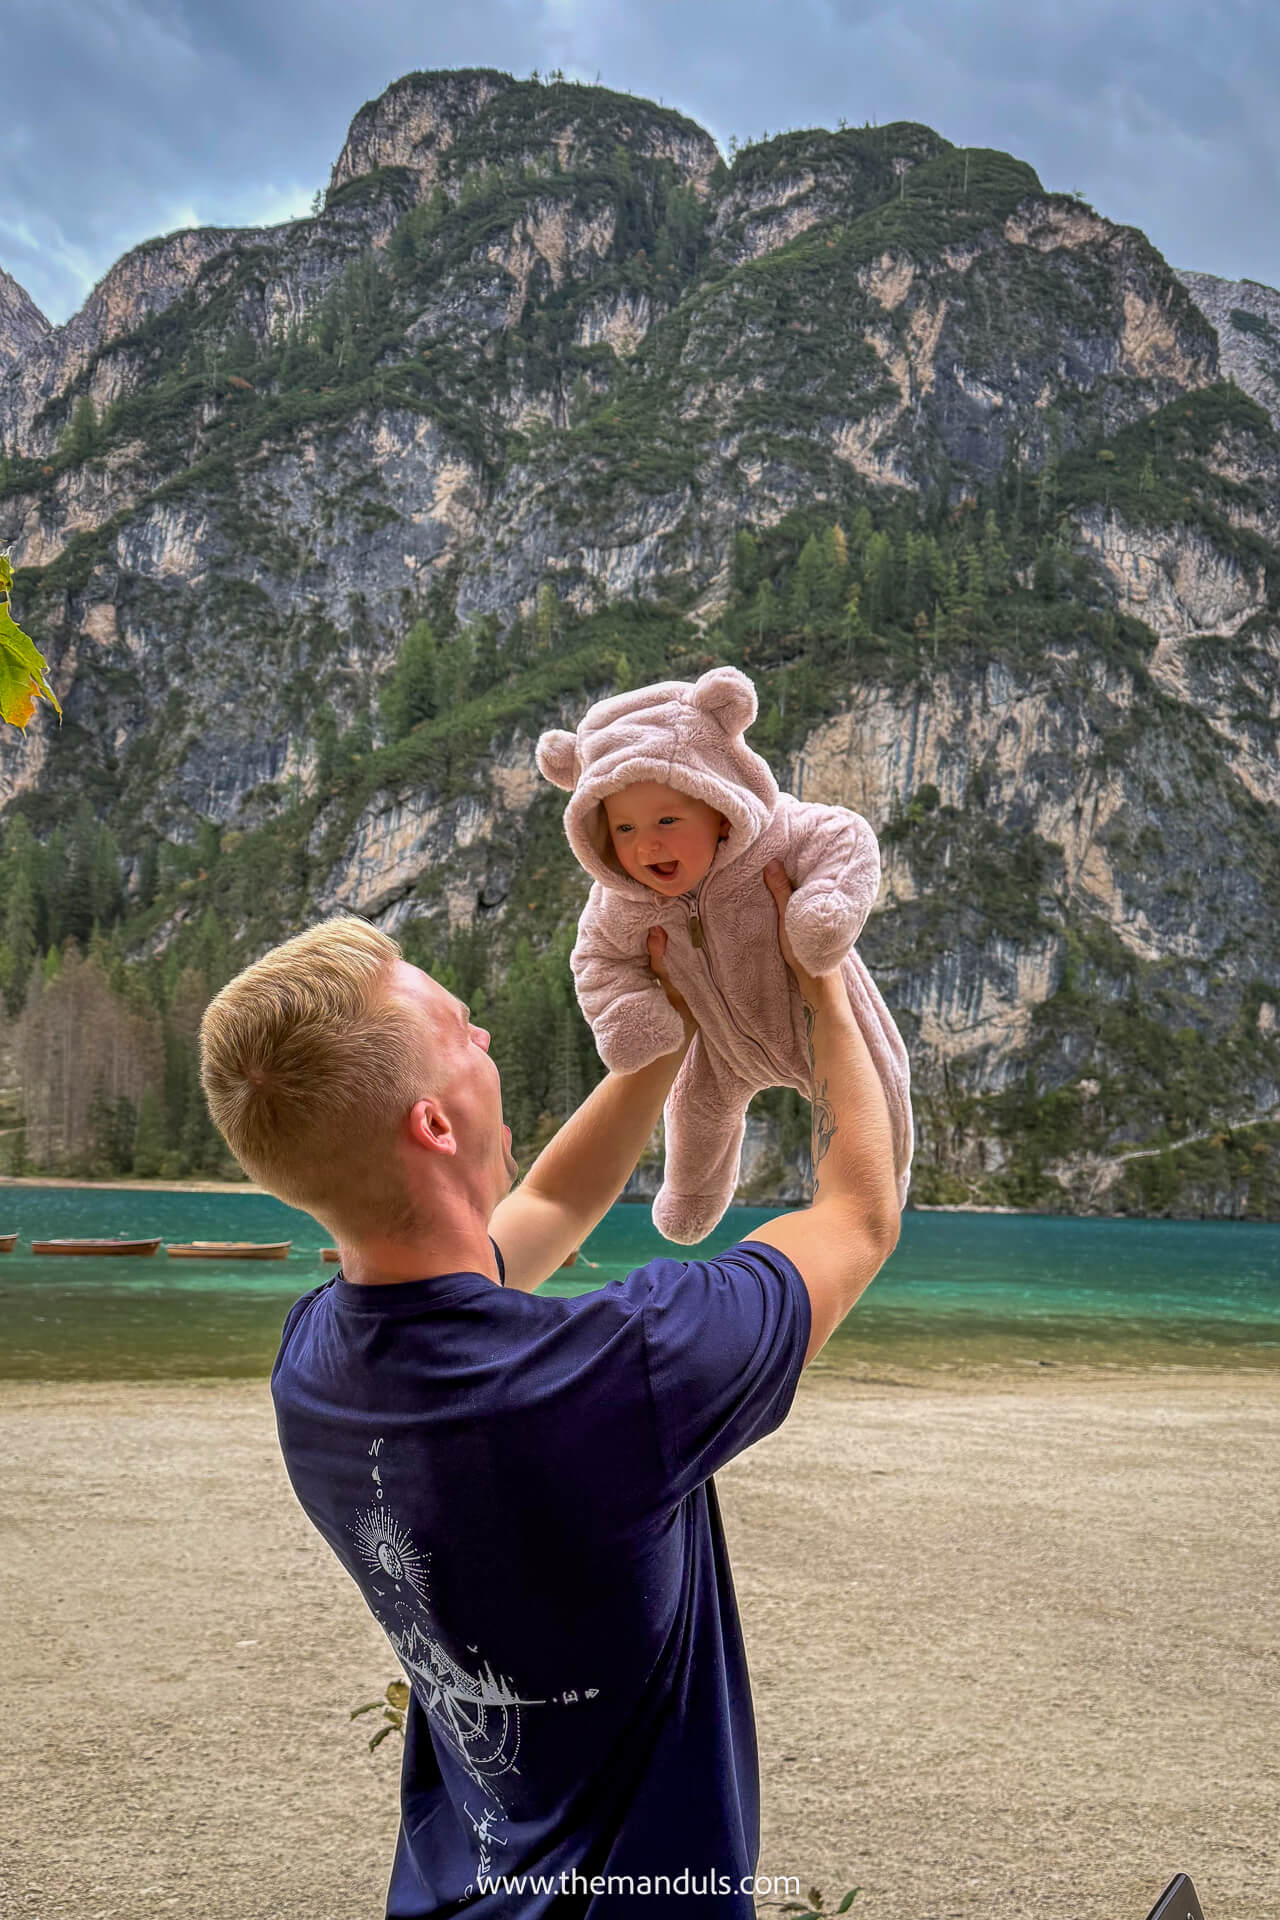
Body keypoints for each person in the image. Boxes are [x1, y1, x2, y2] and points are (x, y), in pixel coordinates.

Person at [198, 860, 900, 1917]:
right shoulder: (627, 1368)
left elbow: (552, 1207)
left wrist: (667, 1037)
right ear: (433, 1125)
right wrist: (823, 982)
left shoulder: (313, 1368)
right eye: (463, 1032)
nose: (485, 1038)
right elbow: (858, 1218)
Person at [535, 664, 913, 1244]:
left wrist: (820, 910)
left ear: (718, 806)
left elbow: (847, 837)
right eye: (625, 830)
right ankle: (693, 1198)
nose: (648, 843)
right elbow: (598, 960)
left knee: (879, 1084)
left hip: (819, 1017)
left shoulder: (778, 834)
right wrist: (632, 1014)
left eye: (667, 819)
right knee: (694, 1112)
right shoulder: (621, 903)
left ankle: (884, 1185)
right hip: (718, 1043)